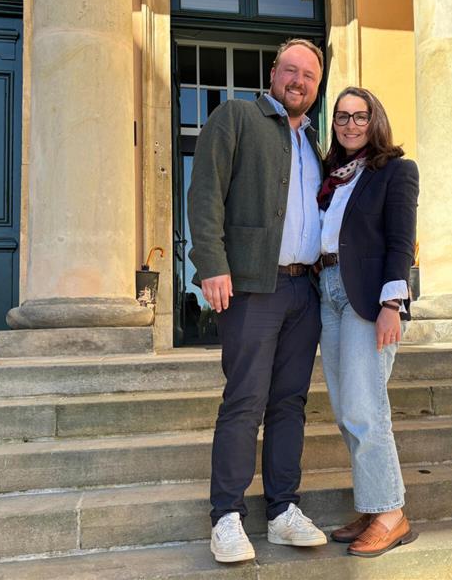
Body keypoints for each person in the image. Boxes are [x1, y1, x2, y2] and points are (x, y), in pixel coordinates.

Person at [187, 39, 328, 564]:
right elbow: (204, 193)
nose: (298, 81)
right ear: (273, 73)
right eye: (290, 70)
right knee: (245, 399)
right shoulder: (237, 116)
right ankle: (226, 515)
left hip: (303, 290)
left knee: (290, 403)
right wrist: (213, 265)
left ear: (316, 84)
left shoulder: (315, 143)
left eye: (308, 75)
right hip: (253, 285)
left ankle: (283, 511)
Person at [314, 87, 419, 557]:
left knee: (365, 407)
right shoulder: (332, 176)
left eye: (360, 116)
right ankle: (375, 502)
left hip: (369, 298)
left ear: (375, 120)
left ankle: (391, 514)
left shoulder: (397, 170)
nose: (350, 124)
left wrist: (391, 305)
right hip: (328, 291)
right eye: (342, 117)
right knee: (345, 409)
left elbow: (401, 241)